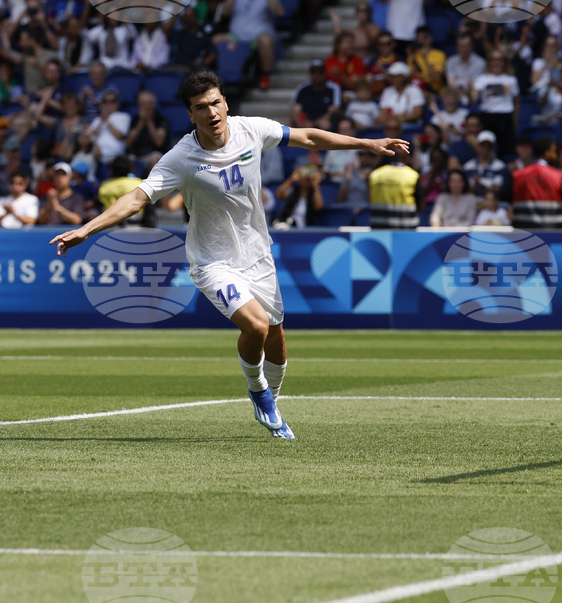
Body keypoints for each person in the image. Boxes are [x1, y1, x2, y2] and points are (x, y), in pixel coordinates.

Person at [50, 71, 408, 440]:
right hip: (211, 262)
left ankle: (273, 400)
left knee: (277, 342)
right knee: (254, 325)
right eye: (201, 107)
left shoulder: (251, 129)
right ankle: (258, 391)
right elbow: (137, 199)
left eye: (215, 103)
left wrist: (364, 143)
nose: (211, 112)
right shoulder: (181, 158)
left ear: (226, 103)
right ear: (191, 115)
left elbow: (308, 136)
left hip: (257, 255)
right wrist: (86, 229)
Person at [221, 0, 285, 89]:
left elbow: (280, 12)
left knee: (266, 40)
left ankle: (265, 75)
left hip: (258, 36)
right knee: (216, 40)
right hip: (237, 36)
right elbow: (224, 12)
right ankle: (221, 77)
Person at [510, 137, 562, 230]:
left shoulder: (517, 175)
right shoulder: (558, 176)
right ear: (547, 153)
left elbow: (509, 201)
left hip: (523, 235)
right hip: (552, 234)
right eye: (554, 151)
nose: (556, 155)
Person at [470, 53, 520, 158]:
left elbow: (516, 102)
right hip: (488, 117)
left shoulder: (511, 80)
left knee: (506, 150)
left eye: (499, 60)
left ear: (504, 62)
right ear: (490, 62)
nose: (496, 62)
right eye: (494, 59)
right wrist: (471, 89)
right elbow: (474, 98)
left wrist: (514, 121)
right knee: (486, 148)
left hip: (505, 117)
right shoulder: (482, 79)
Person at [369, 153, 422, 229]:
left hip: (379, 227)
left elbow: (370, 198)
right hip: (406, 228)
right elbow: (421, 205)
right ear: (405, 158)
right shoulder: (412, 175)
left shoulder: (375, 175)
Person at [292, 60, 342, 130]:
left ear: (325, 72)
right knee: (282, 126)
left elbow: (334, 110)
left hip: (322, 122)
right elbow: (295, 110)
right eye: (314, 72)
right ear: (310, 73)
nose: (317, 75)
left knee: (325, 124)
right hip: (305, 122)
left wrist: (314, 123)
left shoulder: (333, 88)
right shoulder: (302, 89)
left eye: (320, 72)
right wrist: (301, 122)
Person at [126, 91, 170, 168]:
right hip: (135, 155)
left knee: (155, 159)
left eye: (148, 103)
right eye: (142, 103)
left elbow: (158, 142)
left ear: (154, 104)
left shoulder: (161, 120)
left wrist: (149, 120)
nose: (146, 106)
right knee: (124, 161)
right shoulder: (135, 120)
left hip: (153, 154)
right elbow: (128, 143)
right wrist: (141, 122)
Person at [378, 62, 425, 127]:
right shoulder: (387, 91)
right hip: (390, 126)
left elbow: (417, 114)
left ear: (404, 77)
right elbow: (383, 113)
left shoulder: (415, 90)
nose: (392, 79)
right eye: (391, 76)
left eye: (395, 76)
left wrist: (399, 119)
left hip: (410, 125)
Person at [445, 34, 486, 104]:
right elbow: (451, 82)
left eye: (467, 46)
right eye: (461, 46)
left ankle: (472, 107)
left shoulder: (480, 62)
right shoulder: (451, 61)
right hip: (456, 91)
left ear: (472, 46)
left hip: (472, 91)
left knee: (475, 90)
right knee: (449, 92)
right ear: (457, 47)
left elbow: (476, 83)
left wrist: (467, 90)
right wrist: (458, 91)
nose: (464, 49)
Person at [463, 131, 506, 196]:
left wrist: (481, 185)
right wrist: (474, 186)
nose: (485, 148)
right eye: (482, 145)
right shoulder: (468, 166)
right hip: (471, 203)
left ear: (493, 147)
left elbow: (497, 190)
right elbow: (464, 191)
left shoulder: (500, 166)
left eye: (489, 146)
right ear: (478, 146)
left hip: (491, 204)